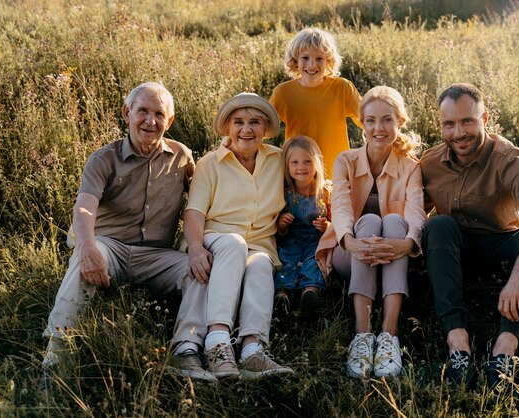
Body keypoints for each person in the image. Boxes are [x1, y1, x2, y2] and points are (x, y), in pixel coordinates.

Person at [42, 82, 214, 382]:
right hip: (111, 248)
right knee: (84, 261)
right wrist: (86, 247)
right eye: (142, 111)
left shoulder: (181, 156)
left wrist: (198, 248)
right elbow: (84, 207)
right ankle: (56, 355)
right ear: (127, 113)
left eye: (159, 113)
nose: (150, 121)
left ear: (169, 121)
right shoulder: (104, 159)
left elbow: (202, 204)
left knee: (200, 271)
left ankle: (186, 350)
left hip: (158, 255)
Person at [420, 83, 519, 391]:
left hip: (501, 249)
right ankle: (458, 343)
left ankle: (504, 348)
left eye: (467, 121)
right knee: (438, 226)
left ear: (484, 119)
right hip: (454, 257)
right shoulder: (429, 163)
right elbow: (406, 210)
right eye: (449, 124)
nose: (458, 132)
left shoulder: (510, 159)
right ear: (441, 125)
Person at [316, 86, 427, 378]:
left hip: (395, 254)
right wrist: (351, 242)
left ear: (399, 121)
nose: (379, 128)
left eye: (387, 120)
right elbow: (339, 206)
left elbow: (416, 210)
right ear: (362, 124)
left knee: (393, 221)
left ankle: (389, 336)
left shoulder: (410, 167)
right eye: (371, 120)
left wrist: (408, 243)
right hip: (348, 253)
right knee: (366, 221)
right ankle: (362, 336)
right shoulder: (346, 161)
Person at [183, 92, 293, 380]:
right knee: (234, 243)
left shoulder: (277, 159)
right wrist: (195, 248)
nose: (246, 129)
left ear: (265, 128)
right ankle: (217, 344)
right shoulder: (211, 163)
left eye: (255, 122)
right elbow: (194, 211)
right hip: (217, 237)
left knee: (259, 264)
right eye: (239, 122)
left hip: (259, 243)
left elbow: (308, 178)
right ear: (228, 127)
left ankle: (252, 351)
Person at [269, 27, 362, 178]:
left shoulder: (342, 88)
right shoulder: (283, 93)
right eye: (305, 58)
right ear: (295, 60)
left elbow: (368, 120)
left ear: (329, 61)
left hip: (336, 174)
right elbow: (263, 129)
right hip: (300, 175)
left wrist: (396, 140)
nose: (312, 65)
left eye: (319, 58)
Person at [274, 136, 330, 318]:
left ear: (317, 164)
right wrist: (282, 224)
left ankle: (310, 293)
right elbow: (278, 229)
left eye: (307, 161)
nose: (301, 167)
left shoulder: (325, 192)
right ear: (287, 166)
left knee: (314, 261)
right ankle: (283, 295)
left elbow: (335, 221)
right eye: (295, 162)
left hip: (316, 240)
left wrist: (326, 226)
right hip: (292, 238)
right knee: (287, 260)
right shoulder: (284, 193)